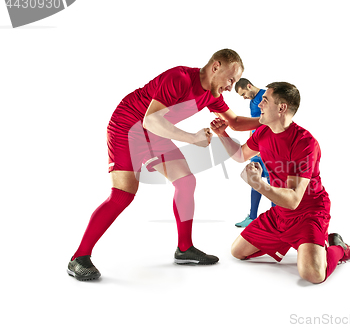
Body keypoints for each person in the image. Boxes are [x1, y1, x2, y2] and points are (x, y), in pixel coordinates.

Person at [67, 49, 261, 281]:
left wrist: (267, 120)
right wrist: (192, 138)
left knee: (186, 181)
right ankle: (79, 257)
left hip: (153, 131)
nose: (231, 87)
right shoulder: (179, 78)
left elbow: (236, 122)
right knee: (122, 195)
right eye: (231, 79)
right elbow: (150, 119)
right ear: (216, 66)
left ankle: (185, 249)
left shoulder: (212, 95)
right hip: (127, 126)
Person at [210, 82, 350, 284]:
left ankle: (340, 248)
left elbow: (294, 199)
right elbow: (241, 155)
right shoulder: (263, 133)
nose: (259, 105)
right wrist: (222, 135)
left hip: (309, 212)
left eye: (265, 101)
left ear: (281, 107)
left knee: (312, 275)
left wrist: (258, 184)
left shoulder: (305, 142)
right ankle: (293, 242)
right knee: (237, 251)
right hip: (281, 213)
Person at [233, 78, 275, 228]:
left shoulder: (267, 96)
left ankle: (276, 218)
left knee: (272, 182)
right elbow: (254, 126)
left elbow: (273, 122)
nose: (244, 97)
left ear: (249, 86)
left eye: (244, 93)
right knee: (254, 179)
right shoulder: (252, 102)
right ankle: (252, 217)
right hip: (256, 146)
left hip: (269, 147)